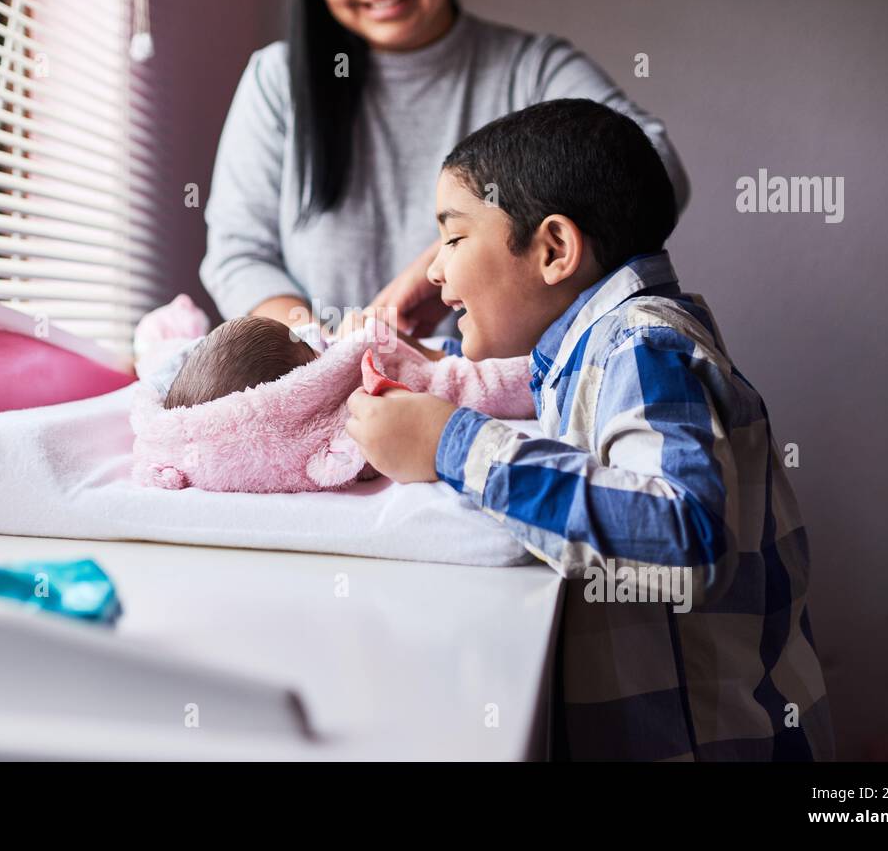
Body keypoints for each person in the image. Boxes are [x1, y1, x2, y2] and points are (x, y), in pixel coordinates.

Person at [345, 98, 834, 761]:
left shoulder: (640, 344)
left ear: (554, 249)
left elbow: (684, 535)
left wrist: (451, 444)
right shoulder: (591, 352)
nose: (433, 270)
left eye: (454, 238)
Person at [199, 0, 689, 345]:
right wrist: (325, 349)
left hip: (502, 395)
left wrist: (453, 256)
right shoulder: (278, 80)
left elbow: (653, 162)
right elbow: (239, 254)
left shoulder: (530, 68)